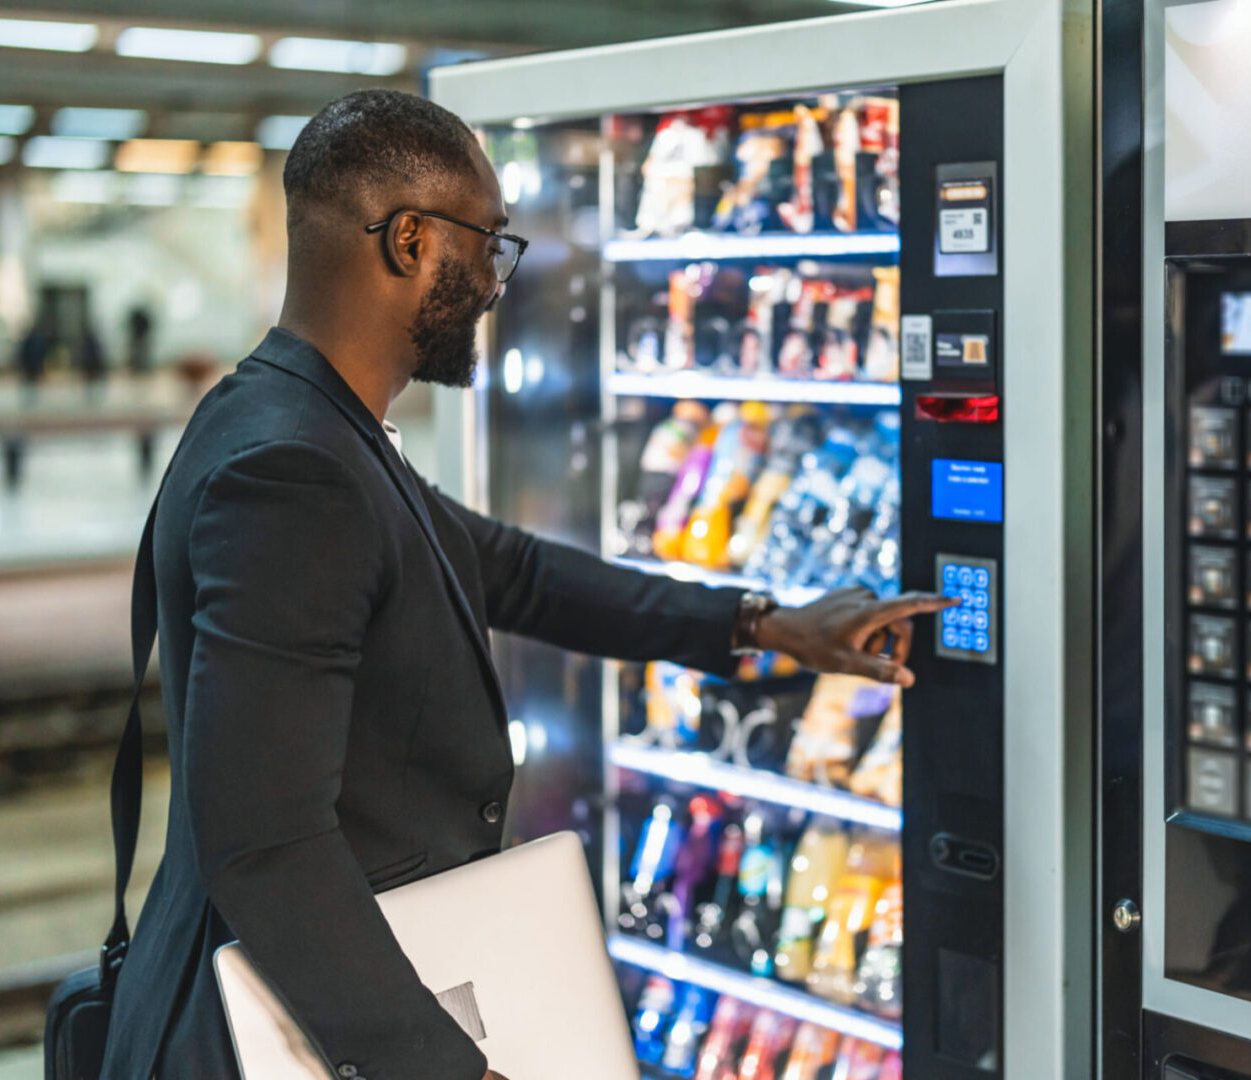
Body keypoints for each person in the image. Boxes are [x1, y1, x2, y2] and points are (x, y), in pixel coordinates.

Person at [97, 89, 948, 1080]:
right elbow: (266, 841)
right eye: (486, 243)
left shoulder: (295, 421)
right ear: (409, 240)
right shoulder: (298, 472)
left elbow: (516, 573)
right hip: (267, 1038)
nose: (497, 282)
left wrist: (764, 624)